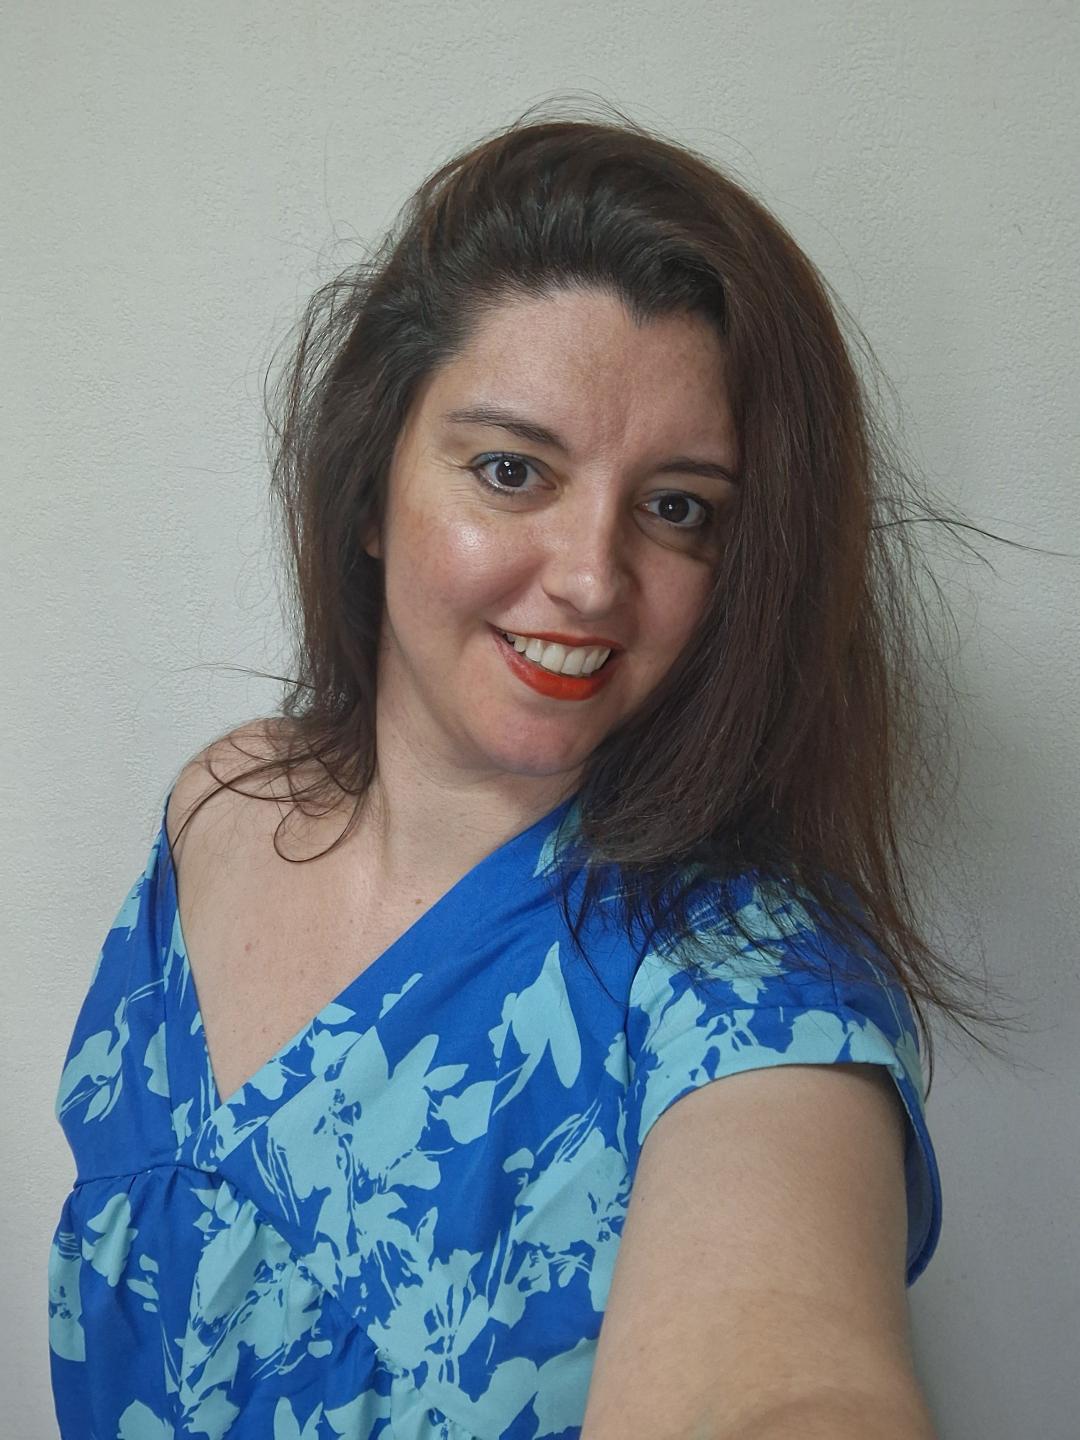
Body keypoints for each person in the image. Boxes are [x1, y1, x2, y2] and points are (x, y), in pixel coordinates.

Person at [48, 104, 969, 1439]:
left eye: (677, 508)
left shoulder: (744, 985)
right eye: (511, 470)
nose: (593, 577)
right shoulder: (221, 806)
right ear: (370, 489)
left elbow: (785, 1381)